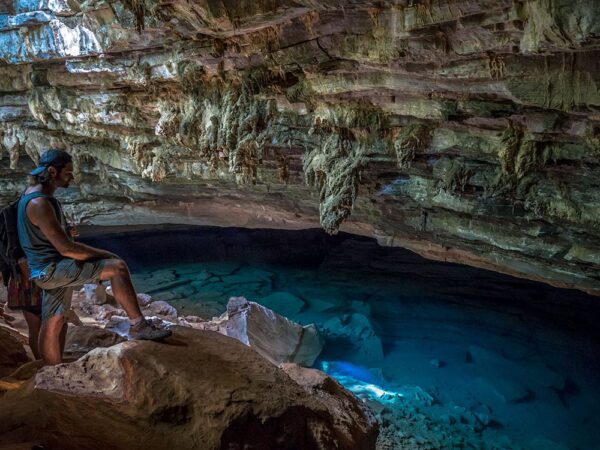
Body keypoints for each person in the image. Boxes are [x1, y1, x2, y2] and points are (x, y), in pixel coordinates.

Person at [18, 149, 171, 365]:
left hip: (43, 269)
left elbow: (47, 237)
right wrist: (106, 254)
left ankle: (51, 371)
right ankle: (138, 325)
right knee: (117, 267)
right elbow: (67, 249)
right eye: (68, 172)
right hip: (53, 269)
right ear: (52, 171)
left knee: (54, 320)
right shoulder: (40, 203)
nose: (71, 177)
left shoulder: (30, 195)